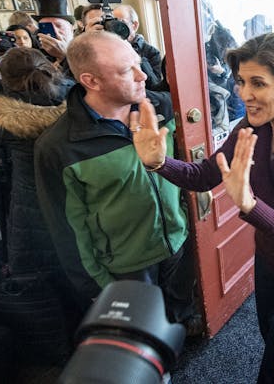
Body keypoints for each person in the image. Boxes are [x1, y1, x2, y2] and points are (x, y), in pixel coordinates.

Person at [130, 32, 274, 383]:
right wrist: (159, 163)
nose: (244, 93)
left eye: (258, 83)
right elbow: (204, 175)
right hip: (268, 257)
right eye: (241, 82)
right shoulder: (250, 128)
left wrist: (251, 204)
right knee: (273, 335)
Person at [33, 31, 199, 334]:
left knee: (179, 315)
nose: (142, 76)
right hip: (126, 264)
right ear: (91, 81)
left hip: (176, 240)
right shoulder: (59, 146)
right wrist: (95, 284)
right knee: (142, 333)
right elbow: (66, 228)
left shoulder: (162, 107)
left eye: (138, 64)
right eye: (127, 71)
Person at [0, 48, 71, 275]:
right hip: (75, 185)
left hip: (31, 195)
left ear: (6, 80)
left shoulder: (1, 115)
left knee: (37, 263)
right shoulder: (77, 96)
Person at [82, 3, 166, 91]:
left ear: (135, 25)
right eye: (112, 22)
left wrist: (131, 53)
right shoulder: (101, 49)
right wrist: (87, 41)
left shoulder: (151, 52)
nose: (115, 27)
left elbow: (155, 88)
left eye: (121, 22)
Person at [33, 0, 75, 72]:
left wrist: (64, 56)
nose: (55, 32)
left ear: (71, 28)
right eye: (47, 27)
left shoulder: (87, 49)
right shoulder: (36, 56)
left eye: (59, 26)